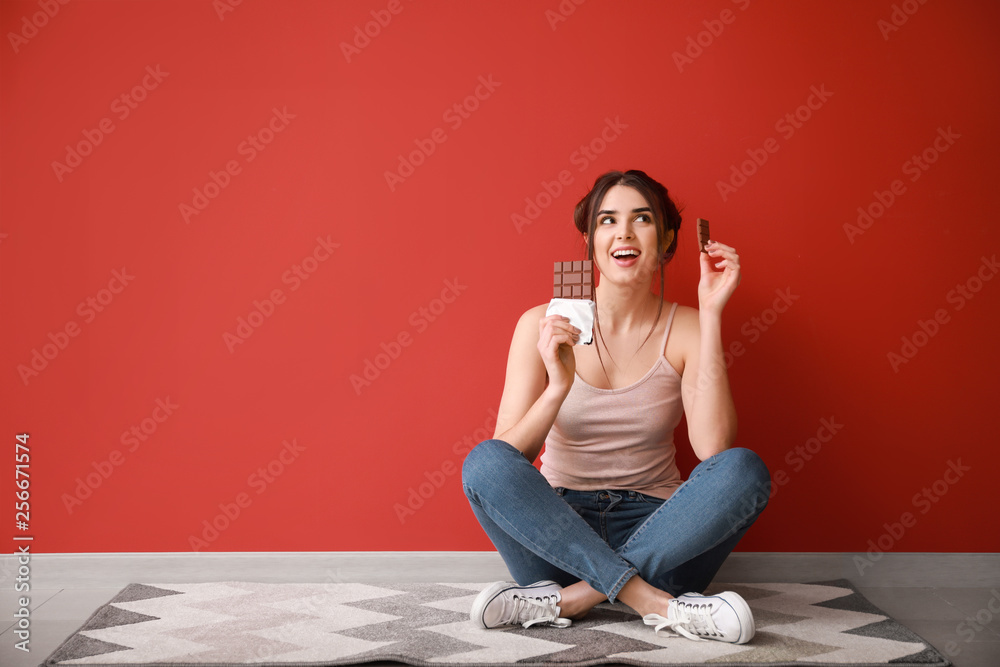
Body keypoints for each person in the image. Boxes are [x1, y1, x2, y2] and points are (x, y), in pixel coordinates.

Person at [461, 169, 771, 644]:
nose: (623, 233)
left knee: (743, 469)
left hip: (662, 530)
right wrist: (557, 386)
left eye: (641, 219)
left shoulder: (687, 326)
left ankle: (570, 601)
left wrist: (711, 314)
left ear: (666, 238)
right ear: (589, 240)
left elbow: (713, 448)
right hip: (558, 531)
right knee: (483, 461)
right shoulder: (539, 325)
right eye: (608, 220)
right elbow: (508, 458)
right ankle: (654, 603)